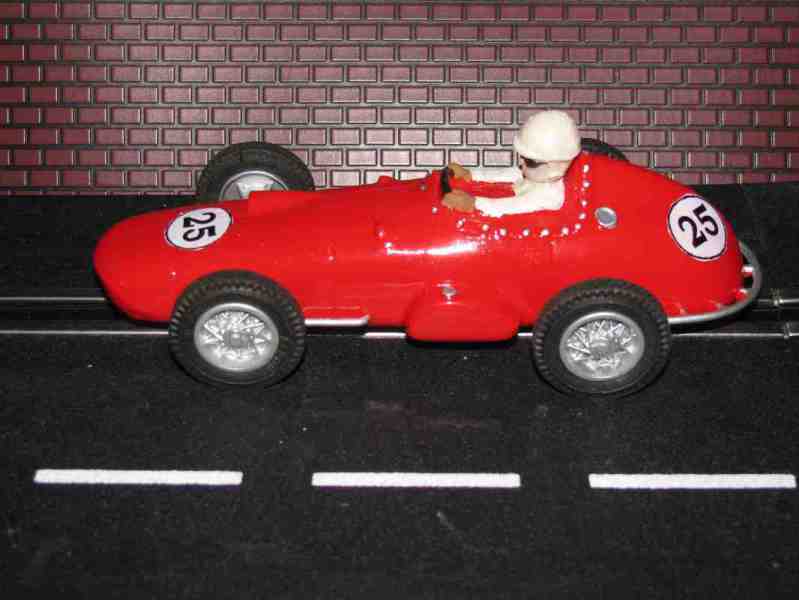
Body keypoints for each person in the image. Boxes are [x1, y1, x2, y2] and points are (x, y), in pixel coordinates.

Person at [443, 110, 581, 217]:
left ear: (553, 169)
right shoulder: (537, 174)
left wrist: (475, 204)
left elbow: (513, 205)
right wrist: (472, 174)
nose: (521, 162)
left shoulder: (549, 196)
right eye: (522, 157)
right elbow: (511, 173)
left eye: (529, 161)